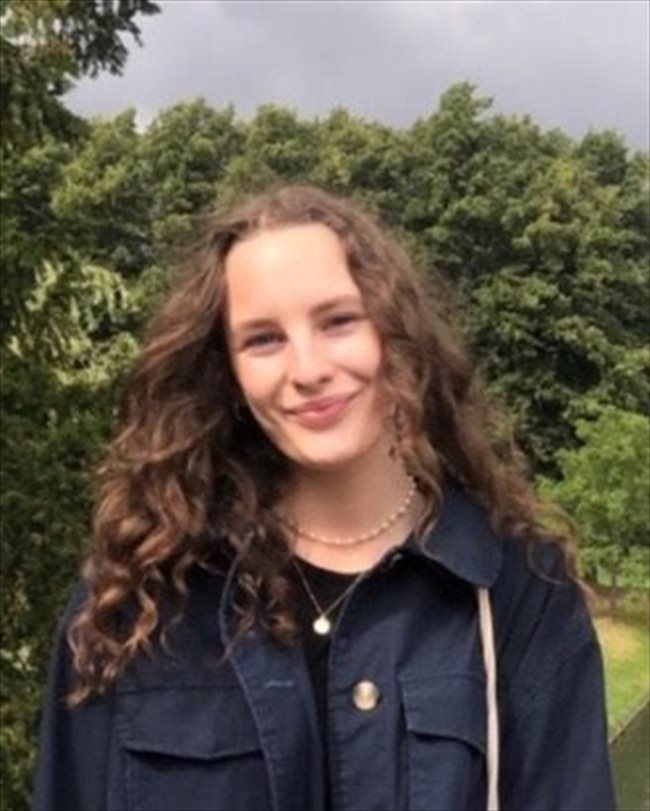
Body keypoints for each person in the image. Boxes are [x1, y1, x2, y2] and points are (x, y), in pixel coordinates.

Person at [32, 184, 616, 811]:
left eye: (339, 321)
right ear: (227, 372)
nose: (308, 370)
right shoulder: (136, 599)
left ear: (397, 333)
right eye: (263, 339)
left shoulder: (517, 591)